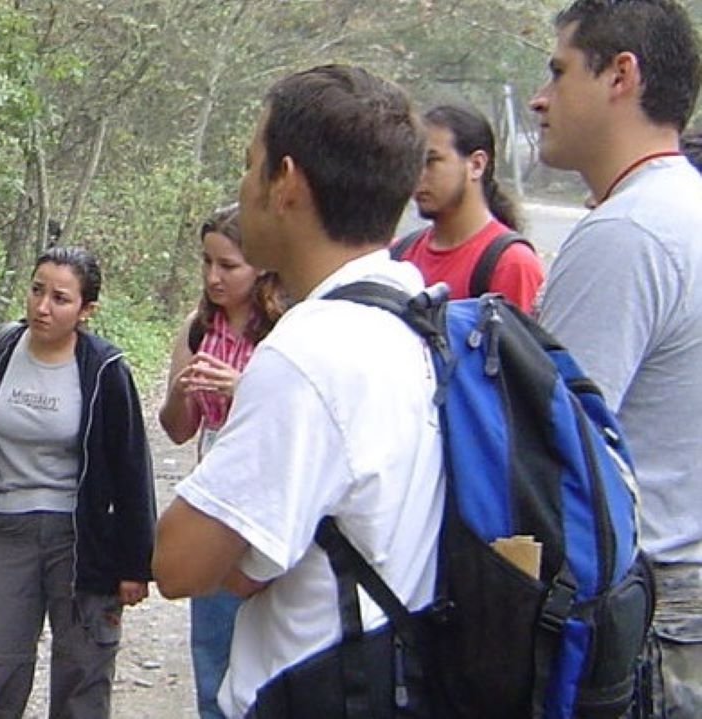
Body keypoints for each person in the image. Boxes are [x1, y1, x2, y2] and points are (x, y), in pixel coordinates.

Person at [151, 64, 440, 718]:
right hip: (393, 669)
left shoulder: (309, 355)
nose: (243, 185)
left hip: (314, 688)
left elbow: (179, 561)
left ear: (286, 183)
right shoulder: (417, 309)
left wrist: (242, 559)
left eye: (251, 165)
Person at [529, 1, 702, 713]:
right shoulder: (684, 208)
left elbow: (546, 449)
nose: (541, 99)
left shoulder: (628, 234)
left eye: (559, 71)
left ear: (620, 75)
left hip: (650, 615)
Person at [0, 245, 155, 719]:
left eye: (61, 299)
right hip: (3, 528)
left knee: (82, 670)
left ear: (86, 310)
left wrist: (135, 563)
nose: (43, 307)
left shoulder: (104, 370)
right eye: (37, 291)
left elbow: (130, 468)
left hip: (79, 536)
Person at [155, 204, 284, 719]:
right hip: (214, 495)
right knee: (213, 650)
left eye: (228, 266)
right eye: (207, 263)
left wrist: (242, 388)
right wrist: (183, 392)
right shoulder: (197, 328)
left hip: (267, 501)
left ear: (259, 267)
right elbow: (177, 428)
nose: (214, 278)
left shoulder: (283, 329)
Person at [394, 105, 545, 311]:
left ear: (476, 165)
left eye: (431, 161)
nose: (418, 175)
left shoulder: (511, 263)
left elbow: (517, 341)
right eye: (414, 163)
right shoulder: (399, 253)